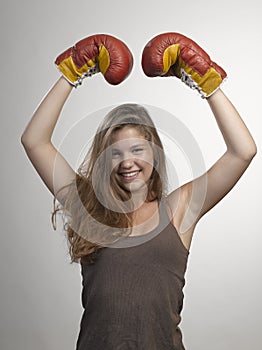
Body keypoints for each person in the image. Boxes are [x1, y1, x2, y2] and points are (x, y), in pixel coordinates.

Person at [21, 33, 257, 350]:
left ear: (154, 154)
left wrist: (206, 82)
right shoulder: (88, 207)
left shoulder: (178, 210)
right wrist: (71, 72)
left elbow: (242, 151)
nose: (126, 162)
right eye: (115, 153)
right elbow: (34, 141)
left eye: (136, 150)